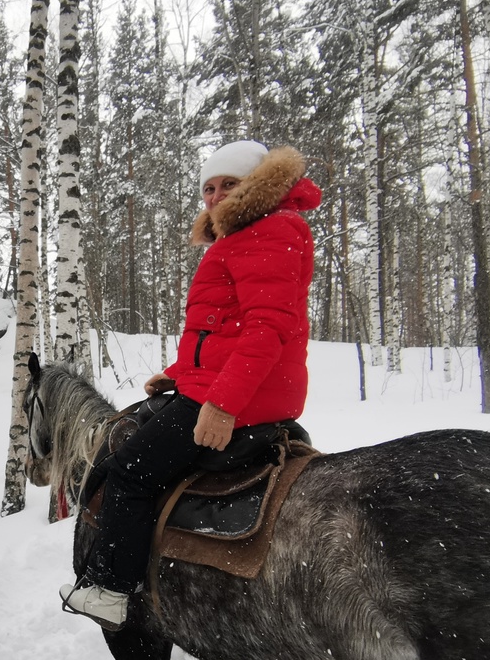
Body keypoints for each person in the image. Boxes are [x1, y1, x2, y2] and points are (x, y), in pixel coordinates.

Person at [59, 140, 321, 630]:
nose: (216, 196)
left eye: (230, 185)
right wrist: (178, 374)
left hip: (241, 397)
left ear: (258, 184)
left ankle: (111, 589)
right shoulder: (240, 238)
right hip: (219, 385)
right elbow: (220, 331)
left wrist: (222, 405)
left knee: (130, 472)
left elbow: (266, 329)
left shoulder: (269, 230)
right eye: (208, 188)